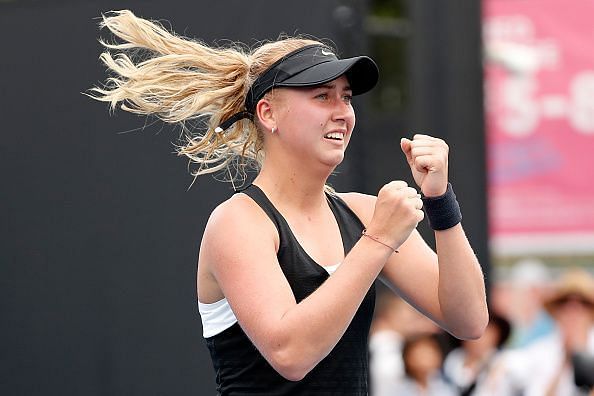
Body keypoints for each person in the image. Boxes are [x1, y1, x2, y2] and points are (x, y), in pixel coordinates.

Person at [90, 10, 489, 395]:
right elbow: (291, 354)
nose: (343, 113)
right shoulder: (240, 222)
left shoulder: (363, 214)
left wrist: (439, 202)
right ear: (268, 113)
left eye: (346, 98)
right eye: (322, 96)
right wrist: (379, 240)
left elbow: (469, 320)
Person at [500, 268, 594, 396]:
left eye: (583, 304)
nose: (573, 311)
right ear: (557, 312)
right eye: (565, 303)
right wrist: (565, 361)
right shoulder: (539, 352)